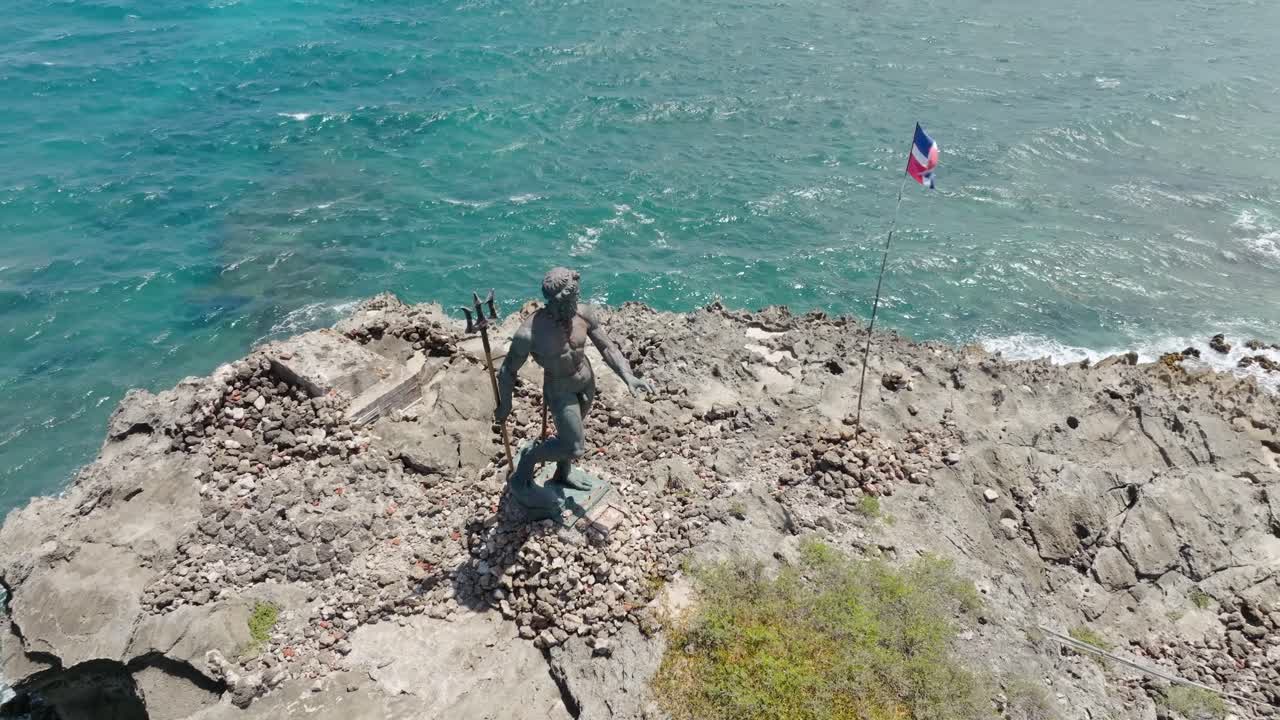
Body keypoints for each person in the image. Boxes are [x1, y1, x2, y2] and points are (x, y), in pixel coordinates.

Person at [495, 268, 653, 498]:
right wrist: (506, 405)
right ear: (557, 300)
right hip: (560, 390)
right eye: (571, 299)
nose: (575, 303)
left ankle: (563, 473)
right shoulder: (529, 333)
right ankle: (529, 460)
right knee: (575, 446)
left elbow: (607, 347)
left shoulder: (582, 313)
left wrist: (627, 375)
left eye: (576, 296)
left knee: (570, 435)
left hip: (587, 382)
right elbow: (507, 370)